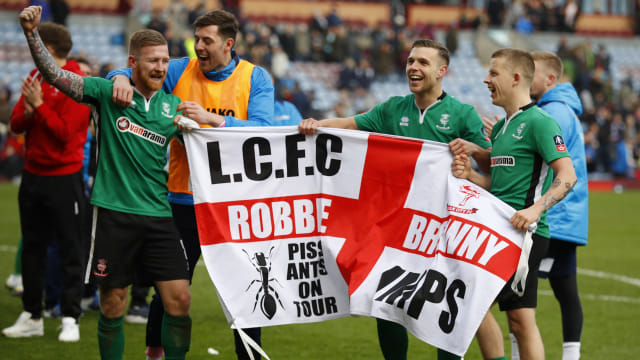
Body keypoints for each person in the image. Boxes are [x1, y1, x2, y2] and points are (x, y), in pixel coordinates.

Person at [16, 6, 197, 359]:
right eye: (152, 61)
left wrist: (206, 122)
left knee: (180, 299)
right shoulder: (106, 93)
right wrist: (31, 33)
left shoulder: (174, 108)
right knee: (113, 303)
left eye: (164, 60)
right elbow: (55, 75)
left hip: (160, 216)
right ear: (133, 63)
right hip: (114, 215)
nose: (160, 67)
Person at [299, 38, 492, 360]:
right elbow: (349, 125)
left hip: (443, 225)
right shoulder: (392, 108)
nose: (413, 67)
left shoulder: (462, 114)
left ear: (442, 71)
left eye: (423, 63)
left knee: (442, 302)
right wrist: (315, 125)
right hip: (396, 222)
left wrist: (473, 150)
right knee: (386, 299)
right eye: (411, 61)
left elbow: (489, 164)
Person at [108, 9, 274, 360]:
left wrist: (210, 120)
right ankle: (155, 351)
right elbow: (138, 69)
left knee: (247, 291)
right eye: (196, 38)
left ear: (228, 44)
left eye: (206, 40)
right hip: (183, 200)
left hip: (234, 205)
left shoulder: (255, 78)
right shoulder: (181, 69)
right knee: (171, 287)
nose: (197, 46)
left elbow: (264, 131)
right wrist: (119, 79)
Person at [452, 48, 577, 360]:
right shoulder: (503, 129)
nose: (486, 79)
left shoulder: (540, 122)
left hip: (526, 236)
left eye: (494, 73)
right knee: (510, 318)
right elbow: (503, 186)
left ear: (516, 78)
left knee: (484, 308)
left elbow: (568, 174)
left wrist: (536, 210)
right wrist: (471, 176)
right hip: (501, 231)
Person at [2, 20, 90, 342]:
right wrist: (29, 111)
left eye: (37, 49)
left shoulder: (78, 83)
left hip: (64, 179)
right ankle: (32, 314)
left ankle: (70, 317)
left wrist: (38, 107)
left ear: (48, 50)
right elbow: (15, 124)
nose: (33, 54)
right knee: (33, 248)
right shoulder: (36, 77)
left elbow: (67, 135)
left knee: (70, 248)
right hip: (34, 176)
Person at [529, 50, 587, 360]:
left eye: (531, 71)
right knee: (565, 290)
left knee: (520, 293)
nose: (524, 76)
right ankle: (571, 356)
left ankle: (520, 353)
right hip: (567, 216)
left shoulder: (555, 112)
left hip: (555, 216)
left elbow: (540, 158)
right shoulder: (561, 108)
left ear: (551, 78)